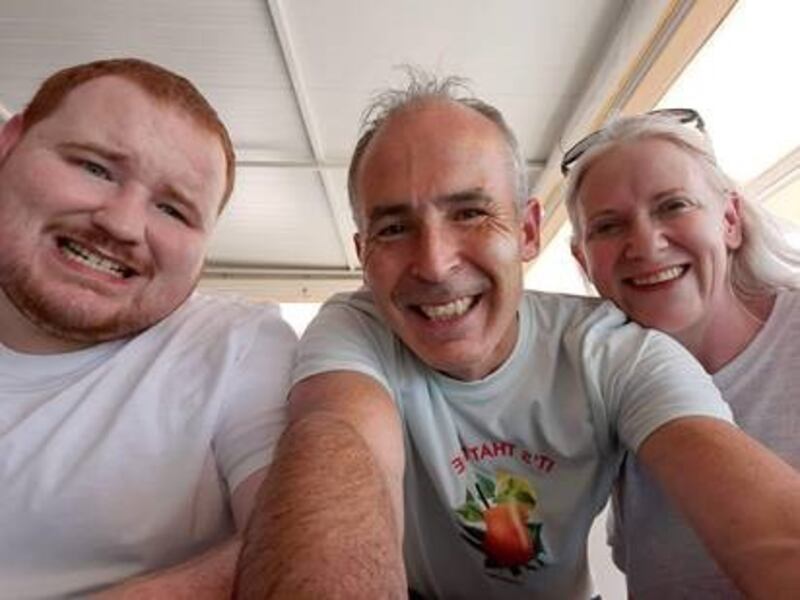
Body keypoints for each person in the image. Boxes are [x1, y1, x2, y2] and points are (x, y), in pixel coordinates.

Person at [236, 74, 800, 600]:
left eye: (471, 214)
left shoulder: (617, 350)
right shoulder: (354, 330)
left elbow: (767, 526)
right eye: (394, 228)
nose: (433, 264)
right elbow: (338, 450)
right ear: (363, 257)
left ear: (528, 232)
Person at [0, 58, 296, 598]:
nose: (121, 224)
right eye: (94, 168)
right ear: (9, 142)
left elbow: (301, 545)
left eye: (174, 210)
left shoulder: (236, 345)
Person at [564, 109, 800, 598]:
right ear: (582, 260)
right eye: (607, 227)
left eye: (673, 206)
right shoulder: (601, 392)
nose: (646, 244)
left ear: (730, 220)